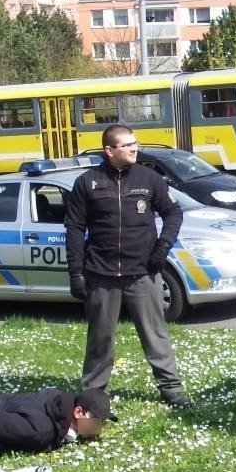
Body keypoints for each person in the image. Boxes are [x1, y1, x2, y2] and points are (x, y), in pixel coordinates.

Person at [65, 124, 192, 409]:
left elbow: (173, 213)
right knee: (100, 339)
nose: (135, 148)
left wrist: (162, 248)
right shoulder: (87, 182)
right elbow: (74, 228)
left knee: (155, 335)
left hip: (143, 273)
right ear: (109, 150)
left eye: (135, 143)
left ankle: (172, 390)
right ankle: (92, 394)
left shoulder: (150, 178)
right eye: (127, 145)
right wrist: (76, 272)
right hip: (101, 274)